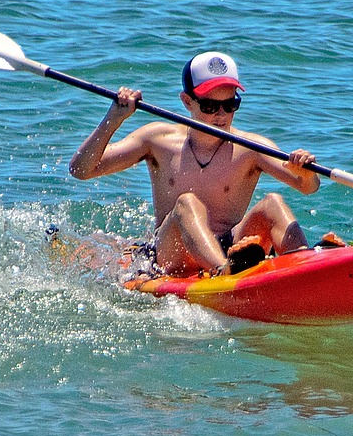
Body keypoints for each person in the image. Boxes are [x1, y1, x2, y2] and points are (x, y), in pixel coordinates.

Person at [69, 51, 326, 276]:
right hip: (170, 252)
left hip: (231, 246)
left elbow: (308, 187)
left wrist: (303, 172)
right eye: (210, 106)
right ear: (187, 102)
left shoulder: (251, 147)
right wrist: (114, 119)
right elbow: (81, 170)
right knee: (187, 203)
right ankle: (224, 271)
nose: (221, 115)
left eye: (230, 104)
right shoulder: (157, 139)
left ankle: (308, 264)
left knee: (273, 202)